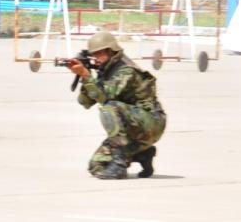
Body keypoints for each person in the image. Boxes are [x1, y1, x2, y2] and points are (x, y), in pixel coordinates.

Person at [66, 31, 166, 179]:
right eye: (93, 55)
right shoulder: (105, 70)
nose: (95, 58)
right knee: (96, 166)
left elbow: (105, 98)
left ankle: (119, 165)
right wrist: (84, 76)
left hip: (151, 123)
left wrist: (86, 75)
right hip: (132, 125)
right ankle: (142, 154)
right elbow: (85, 102)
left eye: (98, 54)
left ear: (110, 51)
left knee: (109, 107)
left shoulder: (126, 70)